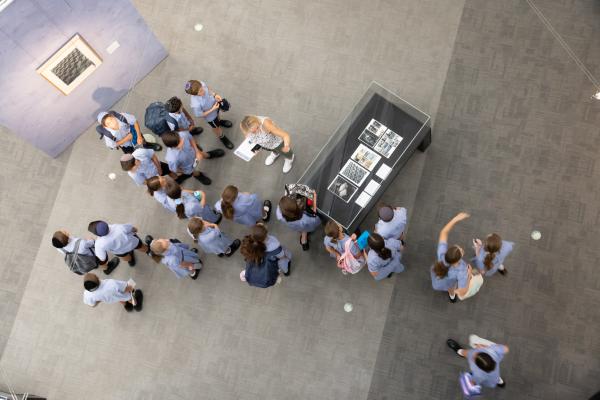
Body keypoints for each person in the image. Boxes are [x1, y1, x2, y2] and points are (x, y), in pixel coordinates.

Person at [434, 213, 472, 302]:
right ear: (458, 260)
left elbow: (443, 232)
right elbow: (463, 292)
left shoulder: (442, 254)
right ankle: (452, 296)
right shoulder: (462, 271)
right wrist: (469, 273)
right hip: (450, 281)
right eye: (461, 251)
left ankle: (451, 294)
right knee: (451, 288)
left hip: (441, 276)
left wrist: (455, 219)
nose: (462, 249)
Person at [184, 80, 234, 149]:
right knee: (216, 128)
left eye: (202, 88)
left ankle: (220, 121)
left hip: (215, 105)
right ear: (194, 94)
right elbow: (199, 115)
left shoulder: (201, 84)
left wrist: (214, 94)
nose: (203, 91)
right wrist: (212, 109)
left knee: (218, 116)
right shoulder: (195, 104)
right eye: (200, 91)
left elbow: (207, 88)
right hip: (211, 117)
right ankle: (222, 138)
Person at [52, 230, 119, 275]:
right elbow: (92, 243)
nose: (64, 230)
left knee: (93, 264)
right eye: (63, 232)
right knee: (100, 261)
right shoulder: (80, 243)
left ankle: (94, 266)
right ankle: (107, 268)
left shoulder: (59, 247)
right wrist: (91, 239)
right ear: (66, 237)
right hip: (92, 256)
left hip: (81, 260)